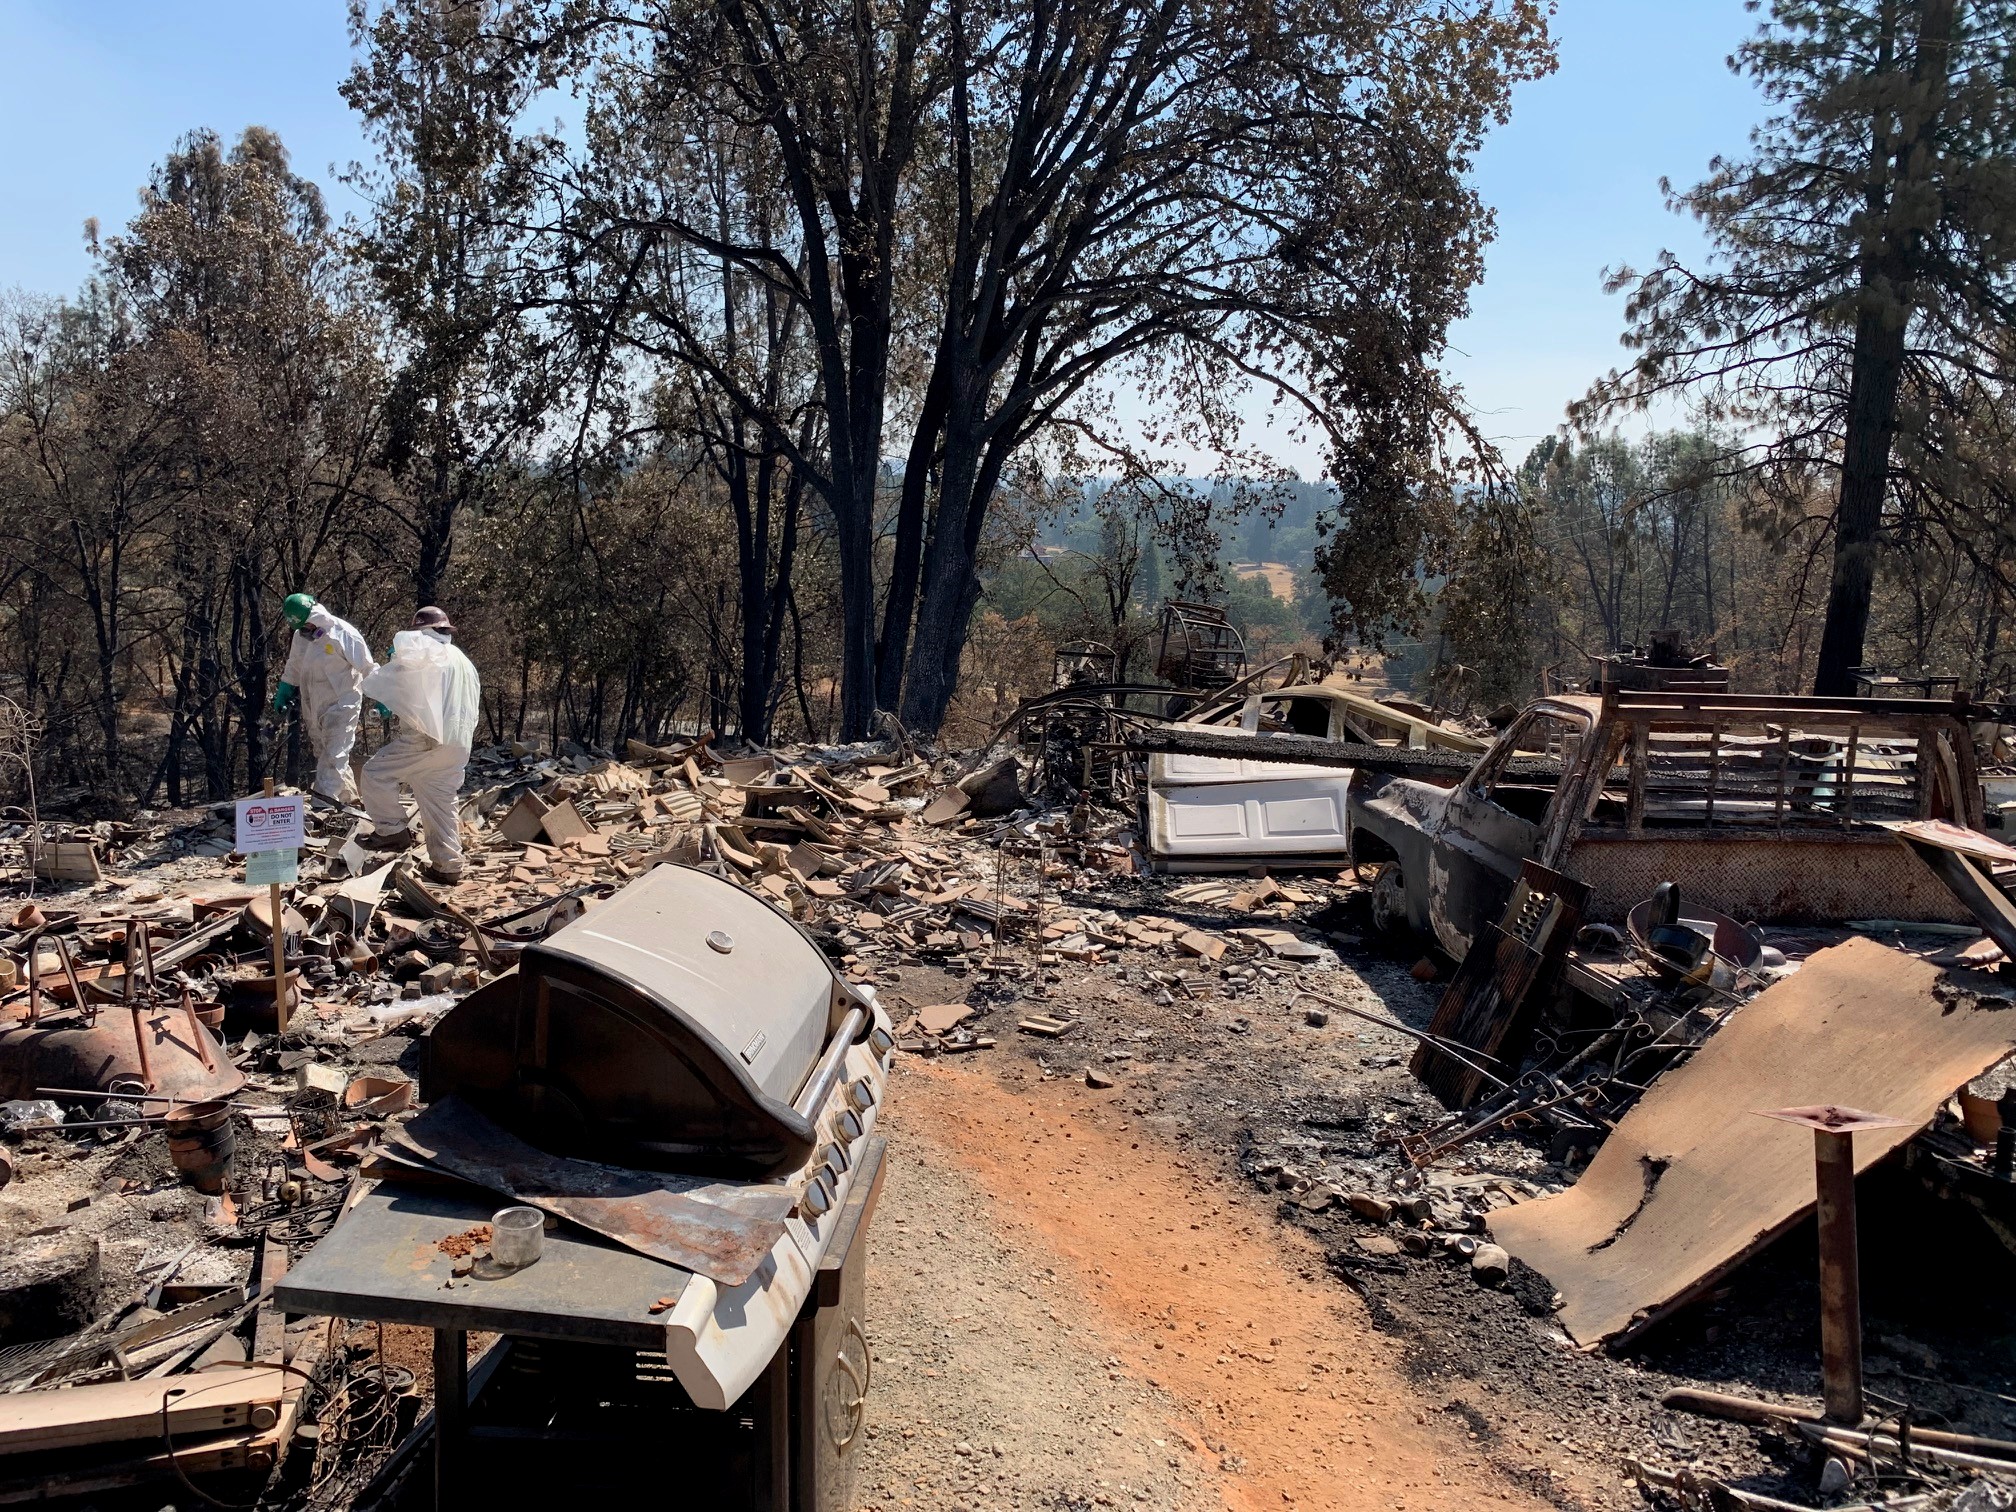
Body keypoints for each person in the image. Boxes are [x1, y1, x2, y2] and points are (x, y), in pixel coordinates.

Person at [357, 607, 481, 885]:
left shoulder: (425, 648)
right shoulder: (462, 659)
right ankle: (448, 868)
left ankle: (391, 832)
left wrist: (389, 689)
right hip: (458, 743)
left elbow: (399, 675)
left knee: (375, 773)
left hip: (427, 739)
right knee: (439, 799)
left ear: (423, 631)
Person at [273, 593, 375, 805]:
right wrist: (285, 688)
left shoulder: (344, 634)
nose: (306, 632)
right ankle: (349, 801)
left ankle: (323, 806)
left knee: (333, 756)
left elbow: (368, 668)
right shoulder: (301, 636)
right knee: (325, 754)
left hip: (342, 705)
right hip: (314, 705)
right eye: (301, 628)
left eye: (309, 626)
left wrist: (383, 695)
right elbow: (294, 665)